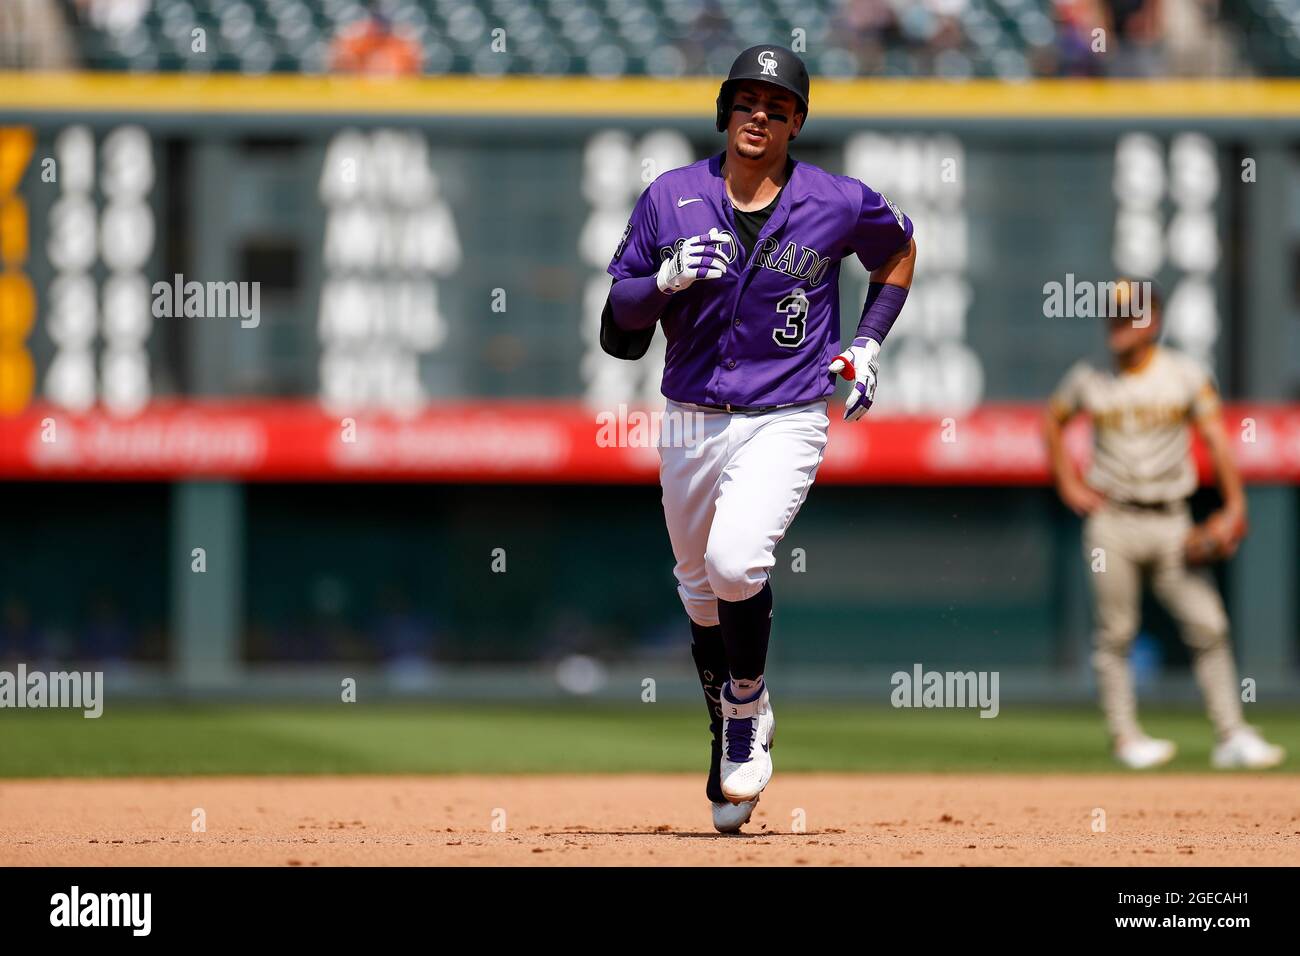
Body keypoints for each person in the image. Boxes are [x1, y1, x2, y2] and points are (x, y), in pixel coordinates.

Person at [602, 45, 917, 831]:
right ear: (724, 111)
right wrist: (665, 278)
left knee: (736, 561)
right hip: (691, 416)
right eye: (747, 102)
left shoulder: (836, 201)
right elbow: (617, 328)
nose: (759, 117)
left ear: (797, 124)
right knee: (700, 590)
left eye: (777, 107)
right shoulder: (671, 196)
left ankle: (744, 703)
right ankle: (729, 727)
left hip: (787, 412)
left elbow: (900, 249)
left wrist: (871, 340)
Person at [1043, 279, 1285, 770]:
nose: (1114, 323)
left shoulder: (1184, 373)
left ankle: (1231, 735)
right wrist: (1068, 484)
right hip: (1112, 520)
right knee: (1116, 634)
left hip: (1173, 519)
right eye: (1110, 313)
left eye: (1126, 314)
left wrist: (1234, 506)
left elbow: (1217, 441)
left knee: (1209, 625)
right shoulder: (1089, 376)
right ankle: (1125, 737)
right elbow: (1052, 420)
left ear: (1151, 322)